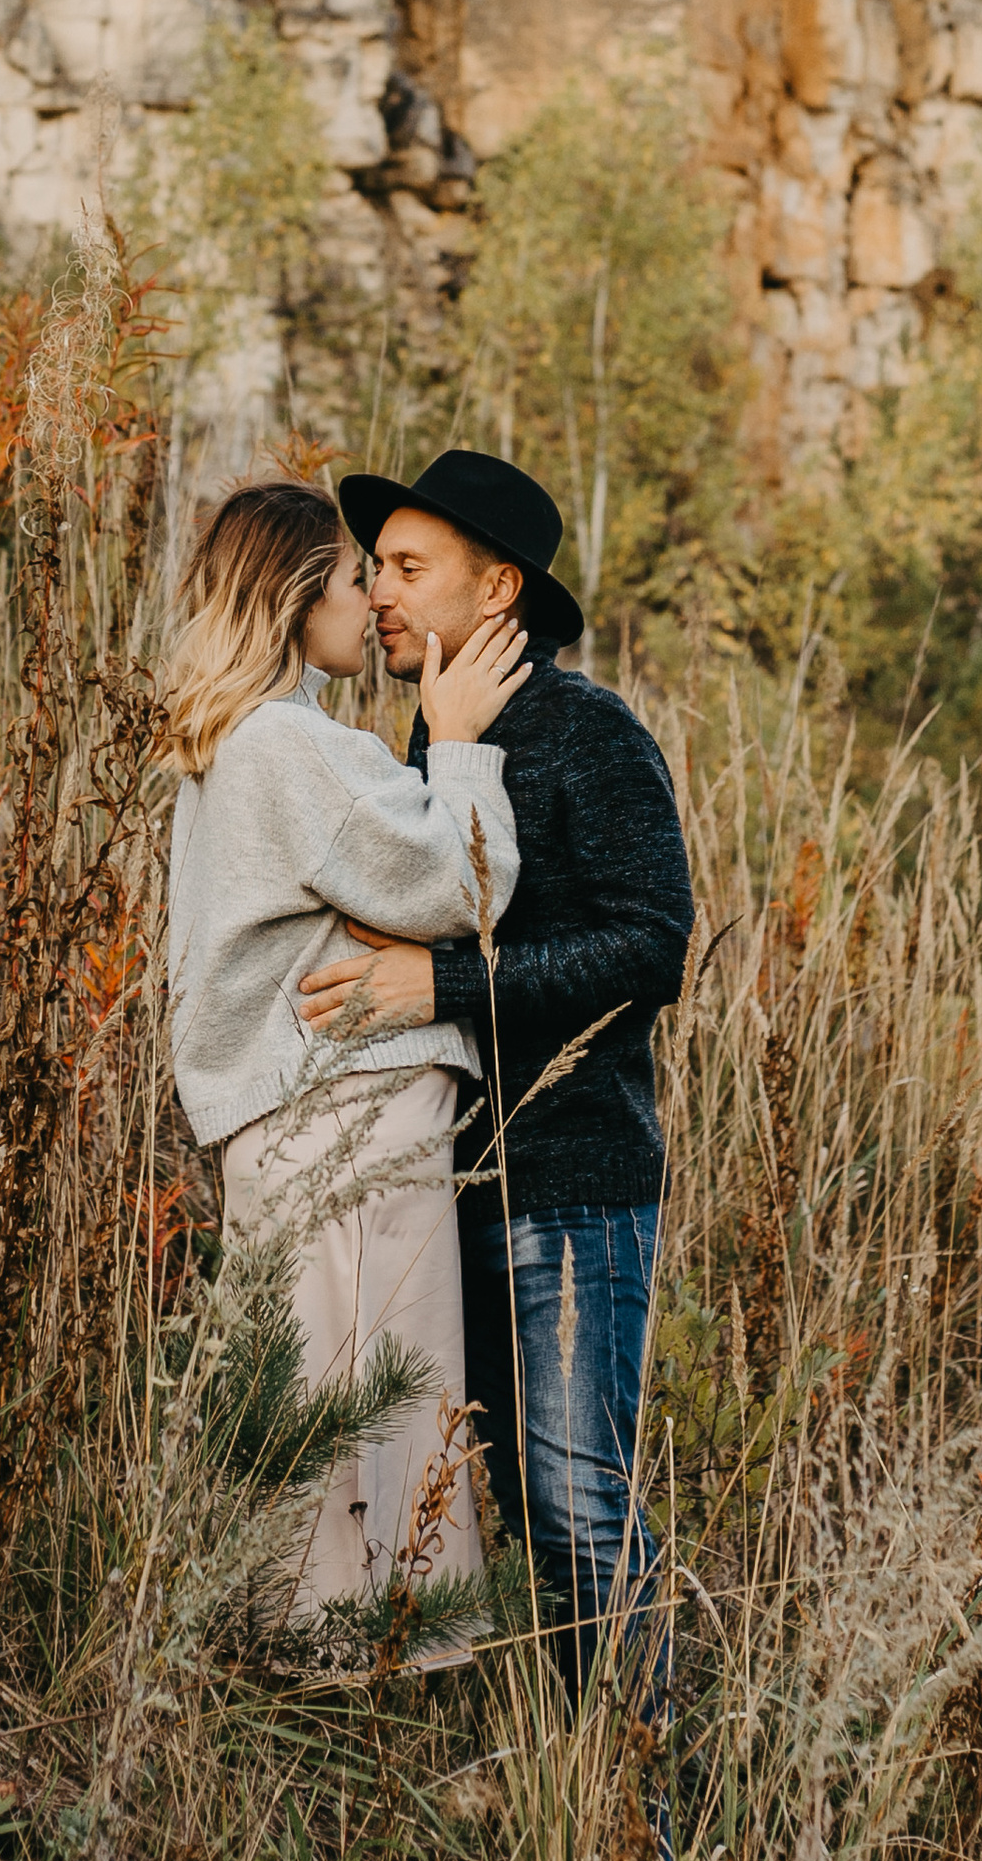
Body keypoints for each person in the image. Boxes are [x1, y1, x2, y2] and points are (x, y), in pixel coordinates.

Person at [298, 452, 693, 1706]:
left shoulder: (590, 734)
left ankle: (642, 1826)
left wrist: (441, 987)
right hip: (449, 1190)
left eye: (410, 570)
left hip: (572, 1189)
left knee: (580, 1505)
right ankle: (555, 1796)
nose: (382, 596)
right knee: (511, 1508)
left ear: (500, 586)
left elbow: (651, 945)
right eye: (374, 571)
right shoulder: (427, 744)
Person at [162, 478, 526, 1646]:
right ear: (295, 594)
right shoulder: (289, 743)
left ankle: (299, 1656)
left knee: (312, 1390)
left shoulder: (239, 743)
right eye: (350, 573)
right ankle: (363, 1662)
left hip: (295, 1114)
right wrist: (461, 747)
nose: (371, 595)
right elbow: (456, 887)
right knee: (370, 1396)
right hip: (345, 1111)